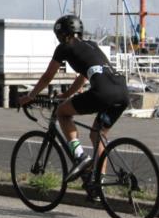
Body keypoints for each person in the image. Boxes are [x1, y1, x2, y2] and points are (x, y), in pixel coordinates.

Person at [17, 14, 130, 198]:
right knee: (98, 135)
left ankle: (80, 156)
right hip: (122, 92)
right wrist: (67, 95)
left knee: (62, 113)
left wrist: (30, 96)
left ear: (62, 35)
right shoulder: (92, 45)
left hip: (102, 92)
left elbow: (48, 77)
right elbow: (84, 76)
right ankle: (97, 187)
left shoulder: (64, 48)